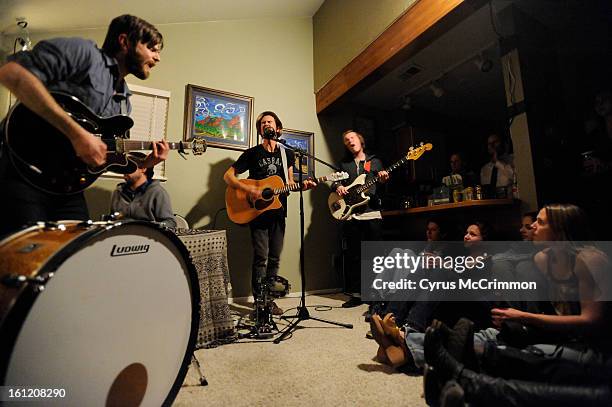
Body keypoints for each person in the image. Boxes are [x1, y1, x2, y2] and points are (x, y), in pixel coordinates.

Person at [0, 14, 169, 236]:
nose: (157, 58)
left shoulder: (124, 97)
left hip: (67, 186)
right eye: (152, 48)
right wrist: (76, 133)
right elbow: (11, 72)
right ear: (124, 41)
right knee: (26, 260)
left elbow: (104, 152)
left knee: (77, 257)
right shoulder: (84, 53)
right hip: (23, 173)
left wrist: (146, 162)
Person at [223, 111, 316, 315]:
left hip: (278, 211)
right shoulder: (252, 153)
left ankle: (269, 300)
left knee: (274, 258)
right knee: (261, 258)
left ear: (278, 128)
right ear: (260, 130)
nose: (266, 124)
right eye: (263, 122)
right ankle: (259, 303)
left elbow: (289, 183)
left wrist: (303, 186)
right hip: (257, 212)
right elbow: (228, 176)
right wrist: (249, 189)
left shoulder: (287, 153)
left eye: (270, 121)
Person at [331, 130, 389, 308]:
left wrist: (384, 179)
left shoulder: (375, 161)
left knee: (375, 256)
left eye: (352, 138)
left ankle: (376, 295)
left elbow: (382, 185)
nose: (349, 141)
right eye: (346, 140)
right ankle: (357, 294)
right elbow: (334, 181)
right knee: (354, 256)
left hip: (371, 213)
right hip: (352, 214)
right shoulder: (344, 164)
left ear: (360, 140)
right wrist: (338, 186)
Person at [110, 152, 176, 228]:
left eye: (128, 166)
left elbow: (170, 222)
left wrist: (151, 227)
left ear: (143, 168)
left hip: (146, 237)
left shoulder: (157, 192)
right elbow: (113, 220)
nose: (124, 170)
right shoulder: (118, 192)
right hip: (121, 237)